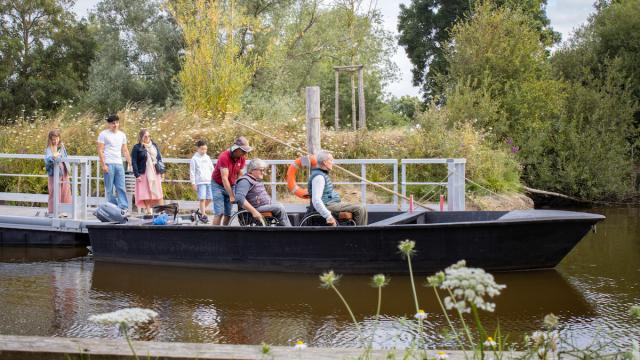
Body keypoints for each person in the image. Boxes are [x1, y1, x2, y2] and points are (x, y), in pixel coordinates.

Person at [308, 150, 368, 226]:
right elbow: (316, 200)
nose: (332, 163)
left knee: (360, 206)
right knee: (360, 209)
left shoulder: (321, 175)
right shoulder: (319, 177)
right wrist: (328, 216)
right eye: (331, 160)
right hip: (328, 205)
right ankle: (359, 235)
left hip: (331, 203)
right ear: (325, 162)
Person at [235, 158, 291, 226]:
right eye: (261, 170)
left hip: (261, 206)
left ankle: (281, 231)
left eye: (263, 170)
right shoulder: (245, 181)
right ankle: (287, 231)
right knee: (279, 208)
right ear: (252, 170)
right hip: (254, 209)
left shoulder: (255, 179)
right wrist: (254, 212)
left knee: (279, 205)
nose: (263, 172)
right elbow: (239, 198)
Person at [211, 136, 252, 225]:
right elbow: (224, 178)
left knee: (228, 214)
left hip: (231, 184)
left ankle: (225, 234)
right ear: (236, 148)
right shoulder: (224, 157)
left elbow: (240, 174)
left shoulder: (242, 158)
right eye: (243, 151)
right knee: (219, 212)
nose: (245, 153)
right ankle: (214, 235)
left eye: (246, 151)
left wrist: (242, 187)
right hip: (218, 185)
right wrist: (231, 195)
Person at [97, 114, 132, 211]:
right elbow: (100, 150)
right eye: (113, 123)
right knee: (109, 188)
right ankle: (113, 207)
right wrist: (103, 164)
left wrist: (130, 162)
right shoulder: (103, 134)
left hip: (119, 164)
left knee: (121, 187)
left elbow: (125, 150)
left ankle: (123, 207)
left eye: (117, 123)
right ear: (109, 124)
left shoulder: (122, 135)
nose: (115, 125)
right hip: (108, 163)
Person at [131, 129, 164, 215]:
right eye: (145, 136)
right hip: (143, 172)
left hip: (155, 171)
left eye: (149, 136)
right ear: (141, 137)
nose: (147, 138)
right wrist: (136, 174)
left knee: (158, 191)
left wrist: (162, 172)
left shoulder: (154, 145)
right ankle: (149, 211)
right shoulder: (137, 147)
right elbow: (133, 161)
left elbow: (159, 158)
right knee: (145, 192)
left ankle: (162, 211)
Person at [44, 129, 72, 217]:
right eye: (53, 139)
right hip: (54, 172)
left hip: (63, 171)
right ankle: (52, 211)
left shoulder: (62, 147)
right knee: (54, 191)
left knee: (65, 190)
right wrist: (53, 156)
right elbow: (47, 160)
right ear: (50, 139)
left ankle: (64, 211)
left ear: (59, 138)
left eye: (57, 138)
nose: (55, 141)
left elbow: (66, 158)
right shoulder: (48, 149)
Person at [190, 140, 214, 223]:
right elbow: (192, 172)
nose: (204, 151)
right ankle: (203, 216)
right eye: (202, 149)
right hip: (200, 182)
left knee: (210, 198)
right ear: (198, 148)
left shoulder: (207, 157)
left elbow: (212, 168)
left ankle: (199, 212)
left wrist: (214, 179)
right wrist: (193, 183)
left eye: (205, 149)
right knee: (202, 199)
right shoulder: (194, 159)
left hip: (209, 181)